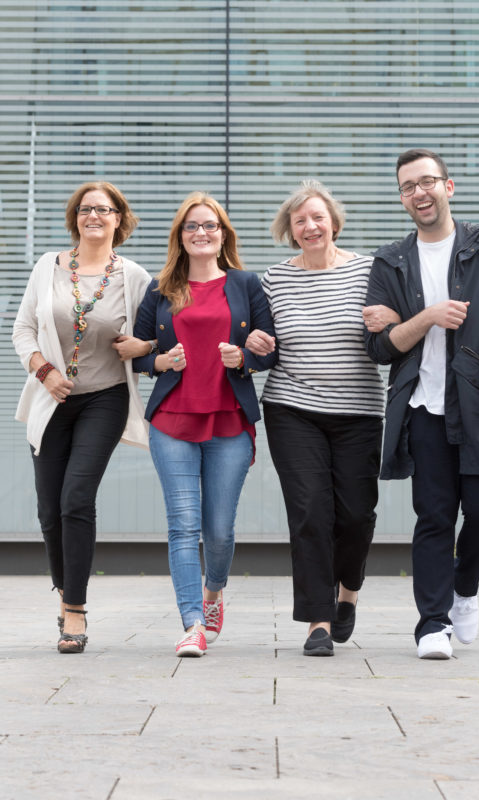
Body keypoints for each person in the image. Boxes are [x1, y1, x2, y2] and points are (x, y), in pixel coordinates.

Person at [364, 148, 479, 659]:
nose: (419, 192)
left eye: (427, 181)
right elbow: (380, 347)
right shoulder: (391, 261)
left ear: (448, 187)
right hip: (423, 409)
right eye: (408, 186)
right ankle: (432, 624)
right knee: (434, 515)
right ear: (402, 199)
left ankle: (467, 586)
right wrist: (428, 316)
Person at [246, 180, 392, 657]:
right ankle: (318, 621)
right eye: (300, 220)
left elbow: (389, 332)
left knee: (355, 513)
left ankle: (347, 591)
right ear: (290, 231)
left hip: (358, 411)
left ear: (333, 221)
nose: (310, 226)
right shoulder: (274, 280)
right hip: (292, 408)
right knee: (310, 512)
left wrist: (391, 320)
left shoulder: (370, 270)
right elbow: (264, 347)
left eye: (317, 217)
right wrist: (257, 346)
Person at [132, 191, 277, 657]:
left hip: (229, 420)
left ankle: (214, 592)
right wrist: (160, 362)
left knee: (218, 530)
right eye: (192, 226)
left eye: (210, 225)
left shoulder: (246, 285)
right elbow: (138, 355)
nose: (201, 233)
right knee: (182, 526)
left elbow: (267, 346)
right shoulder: (159, 290)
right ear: (181, 235)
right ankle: (192, 623)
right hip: (172, 420)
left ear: (223, 235)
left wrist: (246, 358)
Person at [13, 181, 153, 653]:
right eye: (86, 209)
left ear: (119, 219)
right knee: (48, 511)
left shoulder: (134, 277)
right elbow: (23, 330)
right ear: (75, 217)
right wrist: (44, 371)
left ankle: (74, 610)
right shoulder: (47, 266)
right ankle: (63, 589)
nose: (94, 215)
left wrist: (145, 347)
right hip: (52, 397)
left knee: (76, 499)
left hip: (104, 398)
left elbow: (157, 335)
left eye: (104, 209)